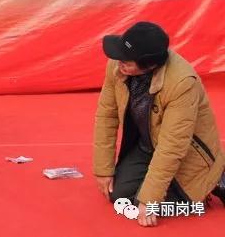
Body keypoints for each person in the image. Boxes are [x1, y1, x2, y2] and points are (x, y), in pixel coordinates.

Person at [93, 21, 225, 226]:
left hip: (188, 152)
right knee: (118, 196)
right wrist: (103, 169)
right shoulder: (117, 66)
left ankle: (214, 177)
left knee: (153, 204)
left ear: (150, 65)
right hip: (147, 144)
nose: (119, 62)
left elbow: (172, 146)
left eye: (126, 60)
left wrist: (150, 200)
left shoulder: (182, 82)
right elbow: (106, 116)